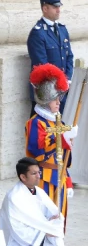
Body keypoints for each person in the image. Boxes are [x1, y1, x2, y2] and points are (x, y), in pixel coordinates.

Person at [26, 63, 78, 219]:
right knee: (45, 218)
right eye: (55, 99)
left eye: (59, 98)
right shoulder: (35, 123)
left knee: (60, 218)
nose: (58, 102)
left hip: (59, 176)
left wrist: (68, 181)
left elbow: (63, 157)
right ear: (44, 99)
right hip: (42, 177)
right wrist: (61, 137)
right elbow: (37, 148)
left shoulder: (59, 123)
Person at [27, 0, 74, 115]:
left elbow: (69, 57)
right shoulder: (38, 33)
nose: (58, 10)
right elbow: (42, 67)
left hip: (63, 89)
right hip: (47, 93)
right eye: (54, 7)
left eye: (59, 6)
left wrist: (67, 80)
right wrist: (59, 85)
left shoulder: (62, 29)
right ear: (45, 8)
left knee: (60, 129)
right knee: (43, 130)